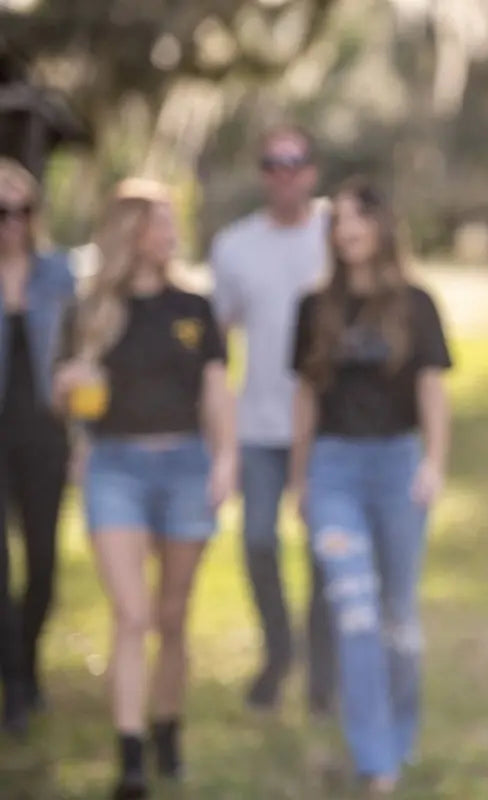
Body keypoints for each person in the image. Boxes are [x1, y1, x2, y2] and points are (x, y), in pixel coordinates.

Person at [53, 179, 237, 799]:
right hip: (115, 469)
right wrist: (70, 385)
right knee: (132, 615)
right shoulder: (89, 308)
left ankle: (167, 728)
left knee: (172, 615)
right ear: (131, 232)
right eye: (160, 221)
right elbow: (66, 393)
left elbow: (215, 389)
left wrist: (225, 458)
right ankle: (131, 757)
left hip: (185, 464)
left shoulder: (194, 306)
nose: (171, 231)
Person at [290, 176, 451, 794]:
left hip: (396, 466)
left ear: (383, 226)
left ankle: (400, 732)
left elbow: (432, 392)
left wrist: (432, 463)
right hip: (333, 470)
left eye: (358, 218)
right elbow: (305, 397)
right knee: (354, 613)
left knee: (398, 619)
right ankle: (374, 755)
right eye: (337, 221)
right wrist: (299, 478)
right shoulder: (313, 306)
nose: (346, 229)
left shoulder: (416, 302)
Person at [208, 124, 335, 713]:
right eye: (272, 163)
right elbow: (215, 342)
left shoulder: (337, 231)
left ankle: (322, 674)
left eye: (295, 161)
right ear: (263, 173)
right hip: (258, 428)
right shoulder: (234, 245)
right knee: (258, 540)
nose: (284, 173)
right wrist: (217, 431)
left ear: (311, 169)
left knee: (322, 551)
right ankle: (278, 651)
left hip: (329, 428)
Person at [0, 158, 74, 735]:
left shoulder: (58, 274)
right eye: (1, 212)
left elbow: (81, 347)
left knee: (44, 565)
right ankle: (16, 686)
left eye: (22, 211)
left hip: (46, 434)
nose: (12, 223)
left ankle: (27, 660)